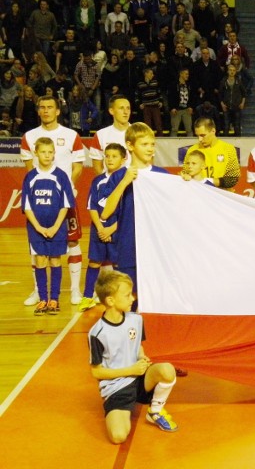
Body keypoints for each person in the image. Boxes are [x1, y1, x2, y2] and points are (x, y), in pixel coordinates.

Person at [89, 270, 178, 443]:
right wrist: (131, 369)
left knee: (167, 370)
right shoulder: (97, 333)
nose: (132, 298)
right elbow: (97, 373)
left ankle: (155, 411)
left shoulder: (135, 320)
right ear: (111, 301)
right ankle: (121, 410)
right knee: (118, 436)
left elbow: (138, 346)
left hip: (139, 380)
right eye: (127, 295)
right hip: (117, 389)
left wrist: (142, 358)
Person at [21, 96, 85, 307]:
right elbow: (30, 169)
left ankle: (75, 289)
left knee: (73, 241)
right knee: (36, 246)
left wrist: (67, 188)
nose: (46, 110)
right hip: (40, 203)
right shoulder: (29, 137)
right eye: (42, 107)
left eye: (50, 107)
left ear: (58, 111)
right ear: (38, 111)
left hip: (65, 200)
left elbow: (77, 166)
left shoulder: (71, 135)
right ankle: (39, 292)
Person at [101, 123, 169, 304]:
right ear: (130, 146)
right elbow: (106, 213)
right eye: (145, 144)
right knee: (128, 296)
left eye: (152, 144)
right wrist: (124, 183)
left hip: (156, 246)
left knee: (156, 296)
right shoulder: (118, 176)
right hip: (128, 246)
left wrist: (186, 180)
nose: (150, 149)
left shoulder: (163, 175)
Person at [21, 137, 75, 315]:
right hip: (36, 228)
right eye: (43, 152)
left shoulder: (61, 176)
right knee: (40, 260)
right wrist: (38, 227)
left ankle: (54, 299)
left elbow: (65, 204)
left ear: (54, 154)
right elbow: (27, 206)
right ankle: (43, 298)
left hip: (57, 227)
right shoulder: (30, 177)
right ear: (36, 153)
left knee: (55, 260)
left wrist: (55, 227)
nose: (47, 155)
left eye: (50, 152)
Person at [78, 143, 127, 312]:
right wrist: (100, 227)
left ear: (124, 159)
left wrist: (112, 228)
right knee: (94, 262)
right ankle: (87, 297)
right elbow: (91, 206)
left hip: (118, 230)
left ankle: (120, 297)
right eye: (107, 156)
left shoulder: (126, 181)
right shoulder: (97, 181)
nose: (110, 159)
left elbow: (128, 211)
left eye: (114, 156)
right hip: (98, 229)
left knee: (119, 264)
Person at [182, 117, 240, 190]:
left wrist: (207, 181)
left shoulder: (228, 149)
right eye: (197, 136)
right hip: (199, 195)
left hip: (221, 196)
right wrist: (186, 176)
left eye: (203, 135)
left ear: (213, 131)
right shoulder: (192, 150)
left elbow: (232, 179)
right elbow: (185, 172)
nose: (199, 139)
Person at [88, 95, 131, 174]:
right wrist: (107, 183)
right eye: (121, 108)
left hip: (135, 184)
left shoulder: (139, 133)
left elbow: (147, 163)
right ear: (111, 111)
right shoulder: (100, 135)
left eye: (128, 108)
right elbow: (97, 166)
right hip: (110, 185)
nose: (126, 112)